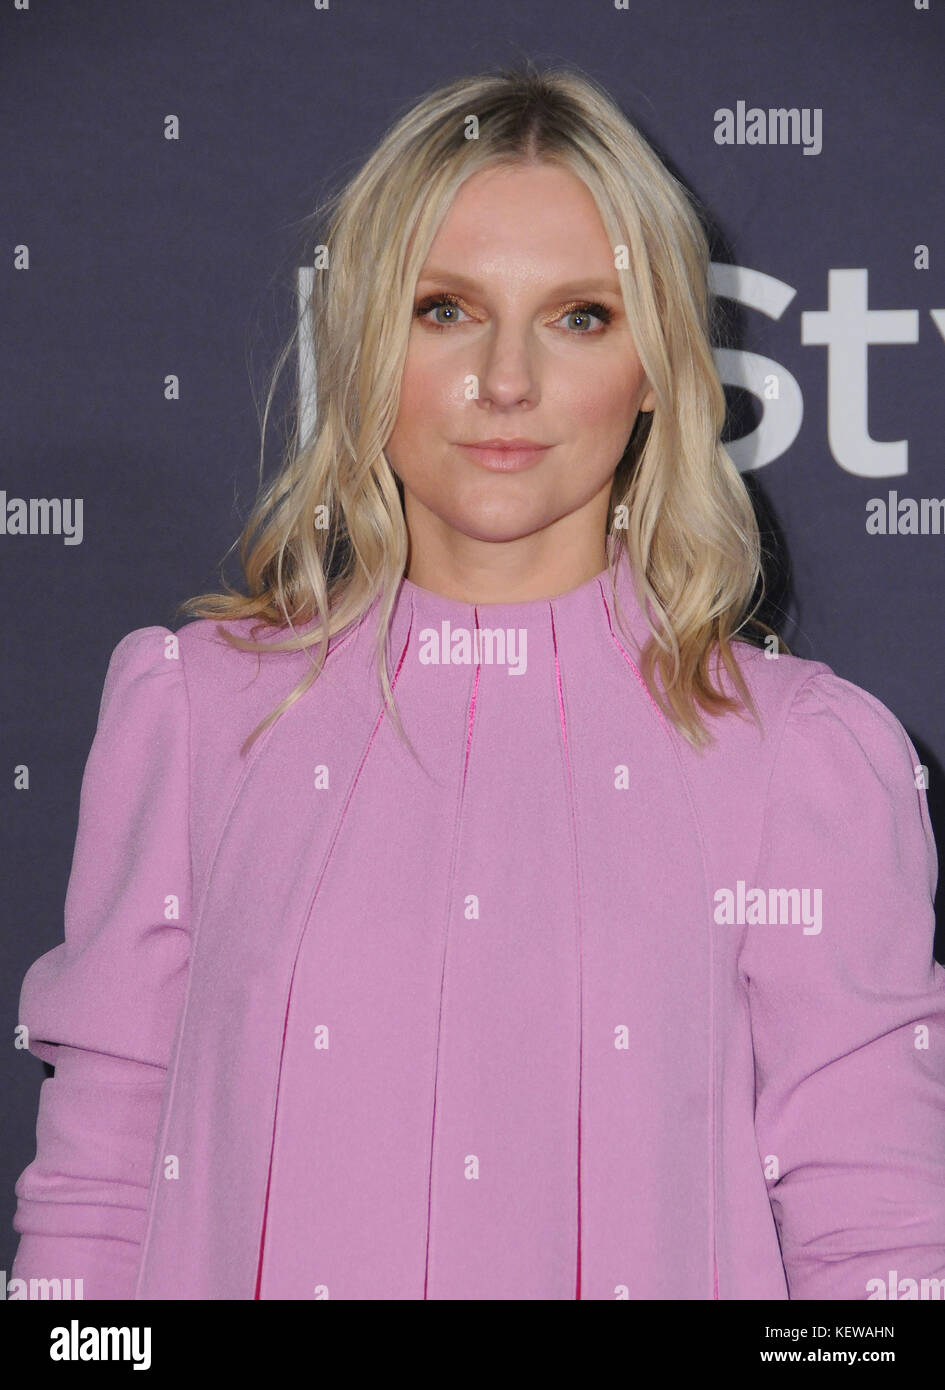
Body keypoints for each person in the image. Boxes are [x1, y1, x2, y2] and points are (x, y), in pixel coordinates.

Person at [11, 63, 945, 1302]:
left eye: (580, 317)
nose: (505, 381)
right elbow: (96, 1208)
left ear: (661, 361)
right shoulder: (196, 713)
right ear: (359, 339)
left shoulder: (801, 761)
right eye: (445, 309)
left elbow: (877, 1248)